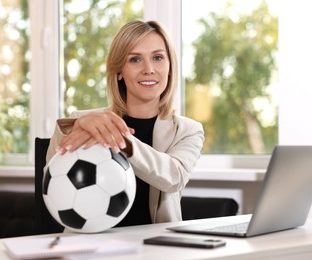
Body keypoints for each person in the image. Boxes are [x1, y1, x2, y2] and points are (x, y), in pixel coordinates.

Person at [45, 20, 204, 226]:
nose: (148, 69)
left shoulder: (188, 130)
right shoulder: (84, 122)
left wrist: (124, 141)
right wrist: (75, 126)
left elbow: (174, 178)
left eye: (157, 58)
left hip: (157, 249)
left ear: (170, 68)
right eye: (135, 59)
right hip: (90, 247)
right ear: (119, 71)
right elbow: (52, 178)